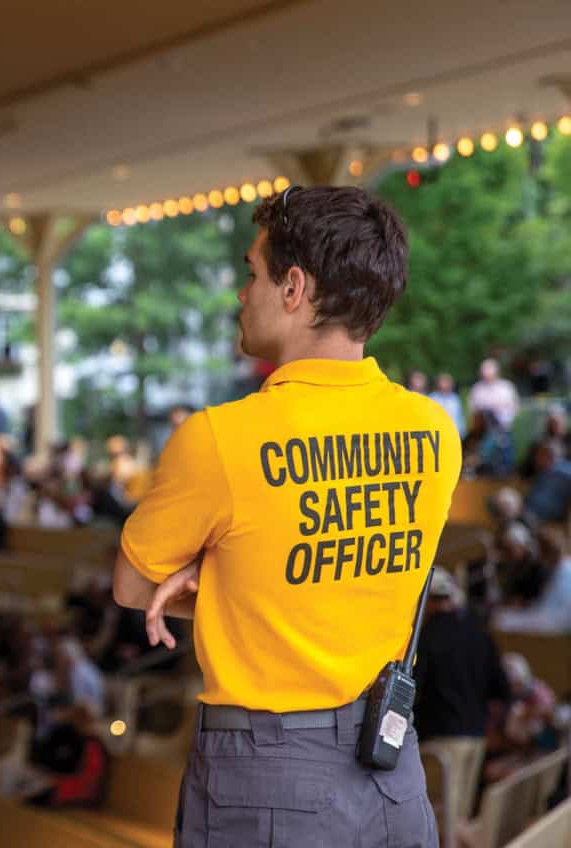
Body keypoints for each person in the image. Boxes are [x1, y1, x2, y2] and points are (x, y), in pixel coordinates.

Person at [117, 186, 454, 845]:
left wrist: (215, 587)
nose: (242, 293)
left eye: (252, 273)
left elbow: (133, 586)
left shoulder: (220, 438)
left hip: (267, 776)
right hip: (392, 770)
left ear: (293, 286)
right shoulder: (434, 431)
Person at [410, 568, 508, 843]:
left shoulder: (427, 637)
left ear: (427, 600)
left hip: (440, 739)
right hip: (475, 738)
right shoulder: (479, 633)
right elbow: (499, 686)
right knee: (459, 815)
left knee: (439, 820)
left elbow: (414, 687)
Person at [472, 358, 519, 430]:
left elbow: (514, 406)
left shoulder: (506, 387)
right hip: (484, 429)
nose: (487, 375)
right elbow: (474, 408)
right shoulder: (477, 389)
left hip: (505, 426)